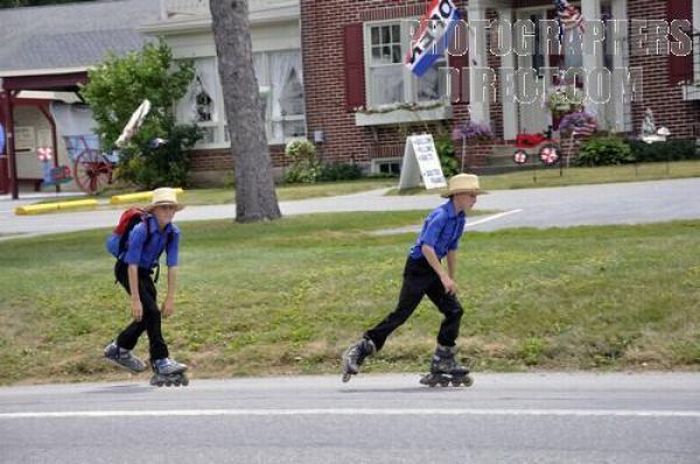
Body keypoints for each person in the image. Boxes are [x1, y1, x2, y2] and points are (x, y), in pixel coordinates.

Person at [342, 173, 483, 385]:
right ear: (458, 195)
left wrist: (450, 279)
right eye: (472, 195)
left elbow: (452, 248)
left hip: (434, 269)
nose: (475, 199)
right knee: (402, 314)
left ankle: (443, 360)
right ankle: (360, 348)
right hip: (418, 268)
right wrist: (443, 276)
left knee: (454, 310)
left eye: (476, 195)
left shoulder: (460, 218)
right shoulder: (441, 216)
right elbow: (426, 247)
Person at [103, 187, 188, 380]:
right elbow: (131, 265)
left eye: (171, 208)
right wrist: (135, 299)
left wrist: (170, 298)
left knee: (150, 313)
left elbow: (172, 265)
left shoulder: (173, 232)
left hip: (144, 272)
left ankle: (119, 348)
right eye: (163, 207)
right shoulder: (141, 229)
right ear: (154, 211)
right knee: (149, 311)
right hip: (127, 269)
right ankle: (160, 360)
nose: (168, 211)